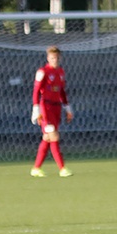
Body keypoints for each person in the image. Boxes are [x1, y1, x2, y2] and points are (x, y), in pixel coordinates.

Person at [30, 45, 74, 178]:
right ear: (48, 58)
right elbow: (36, 91)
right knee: (54, 136)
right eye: (52, 57)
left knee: (47, 138)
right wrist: (36, 109)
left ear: (59, 58)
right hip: (46, 107)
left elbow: (61, 91)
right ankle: (62, 168)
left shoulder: (60, 72)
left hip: (56, 107)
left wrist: (67, 108)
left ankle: (36, 169)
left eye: (56, 57)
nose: (54, 60)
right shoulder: (42, 72)